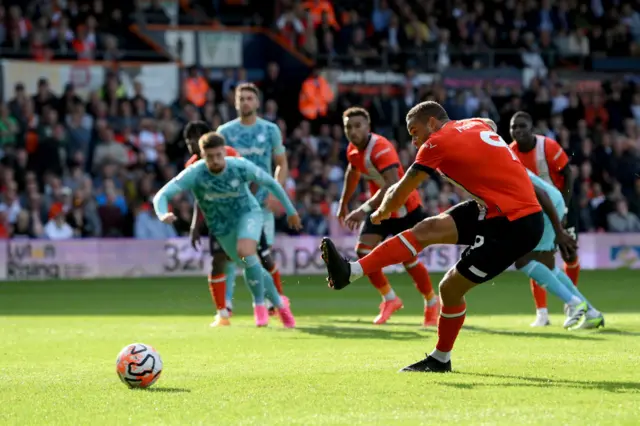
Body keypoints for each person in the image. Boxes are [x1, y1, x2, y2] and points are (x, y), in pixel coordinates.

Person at [320, 101, 555, 372]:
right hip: (495, 209)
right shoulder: (473, 125)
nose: (414, 139)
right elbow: (489, 124)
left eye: (415, 130)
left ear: (432, 123)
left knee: (449, 288)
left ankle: (441, 358)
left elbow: (402, 189)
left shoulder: (437, 142)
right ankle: (351, 272)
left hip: (516, 225)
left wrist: (381, 212)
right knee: (427, 229)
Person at [154, 132, 301, 328]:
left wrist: (291, 211)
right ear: (202, 156)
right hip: (222, 228)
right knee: (249, 262)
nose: (215, 160)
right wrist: (162, 213)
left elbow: (271, 183)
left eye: (218, 155)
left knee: (245, 252)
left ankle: (262, 306)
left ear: (224, 152)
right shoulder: (195, 173)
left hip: (248, 215)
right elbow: (162, 194)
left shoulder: (238, 166)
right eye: (210, 157)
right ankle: (279, 304)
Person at [338, 107, 438, 326]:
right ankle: (390, 299)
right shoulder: (353, 150)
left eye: (357, 126)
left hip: (404, 207)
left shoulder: (381, 147)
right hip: (380, 208)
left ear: (368, 127)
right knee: (363, 252)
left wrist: (362, 209)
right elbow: (353, 172)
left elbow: (392, 185)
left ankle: (432, 302)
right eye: (348, 127)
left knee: (408, 259)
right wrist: (343, 203)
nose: (353, 131)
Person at [216, 83, 289, 315]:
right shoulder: (224, 132)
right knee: (228, 254)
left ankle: (269, 302)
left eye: (250, 98)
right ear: (235, 103)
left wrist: (275, 192)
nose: (246, 102)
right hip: (233, 203)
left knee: (261, 255)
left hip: (261, 203)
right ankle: (225, 305)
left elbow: (281, 163)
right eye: (241, 98)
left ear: (257, 102)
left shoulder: (270, 130)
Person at [509, 111, 580, 327]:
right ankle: (542, 313)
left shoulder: (547, 146)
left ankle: (571, 305)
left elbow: (568, 174)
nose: (518, 131)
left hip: (561, 205)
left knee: (569, 255)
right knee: (536, 255)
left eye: (522, 126)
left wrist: (565, 209)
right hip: (536, 211)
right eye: (514, 127)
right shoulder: (510, 152)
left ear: (531, 128)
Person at [516, 169, 604, 330]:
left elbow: (539, 192)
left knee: (523, 260)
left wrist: (558, 230)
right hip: (552, 201)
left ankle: (573, 303)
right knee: (547, 265)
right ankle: (592, 313)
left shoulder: (498, 167)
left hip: (546, 204)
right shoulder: (502, 157)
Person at [183, 120, 240, 327]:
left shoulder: (230, 154)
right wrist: (194, 225)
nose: (190, 144)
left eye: (193, 139)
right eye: (187, 140)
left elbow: (246, 177)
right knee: (220, 261)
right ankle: (223, 310)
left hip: (240, 215)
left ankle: (268, 303)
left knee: (253, 260)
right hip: (217, 220)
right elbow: (199, 198)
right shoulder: (191, 166)